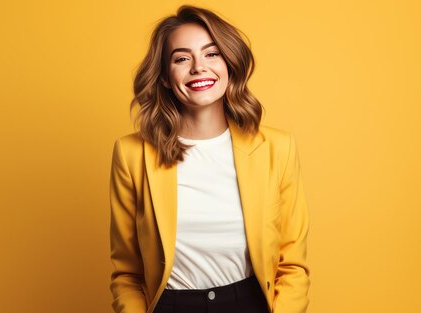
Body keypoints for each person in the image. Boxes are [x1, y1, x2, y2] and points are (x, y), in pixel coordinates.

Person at [109, 5, 310, 313]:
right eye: (181, 58)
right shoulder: (132, 154)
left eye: (212, 54)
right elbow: (127, 272)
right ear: (164, 76)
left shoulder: (277, 148)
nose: (198, 67)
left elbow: (292, 265)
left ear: (229, 63)